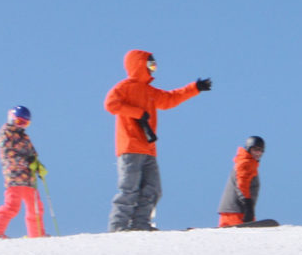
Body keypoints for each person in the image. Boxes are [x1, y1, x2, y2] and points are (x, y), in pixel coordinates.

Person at [103, 49, 211, 231]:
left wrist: (195, 88)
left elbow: (170, 99)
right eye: (150, 64)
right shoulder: (124, 87)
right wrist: (137, 113)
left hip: (148, 148)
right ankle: (118, 226)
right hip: (130, 146)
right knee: (130, 188)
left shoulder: (150, 91)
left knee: (153, 189)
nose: (153, 68)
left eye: (155, 65)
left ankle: (140, 224)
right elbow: (110, 104)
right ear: (139, 65)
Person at [0, 105, 46, 238]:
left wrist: (37, 165)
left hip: (29, 179)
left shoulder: (24, 137)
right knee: (12, 206)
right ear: (11, 118)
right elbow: (9, 154)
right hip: (14, 177)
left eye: (26, 123)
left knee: (36, 208)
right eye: (19, 122)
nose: (22, 126)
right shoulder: (6, 133)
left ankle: (37, 235)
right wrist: (27, 162)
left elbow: (32, 153)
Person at [219, 136, 266, 226]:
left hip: (236, 210)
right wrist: (248, 205)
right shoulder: (246, 163)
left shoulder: (249, 163)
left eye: (261, 150)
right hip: (236, 212)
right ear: (248, 149)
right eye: (255, 149)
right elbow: (241, 184)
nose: (258, 153)